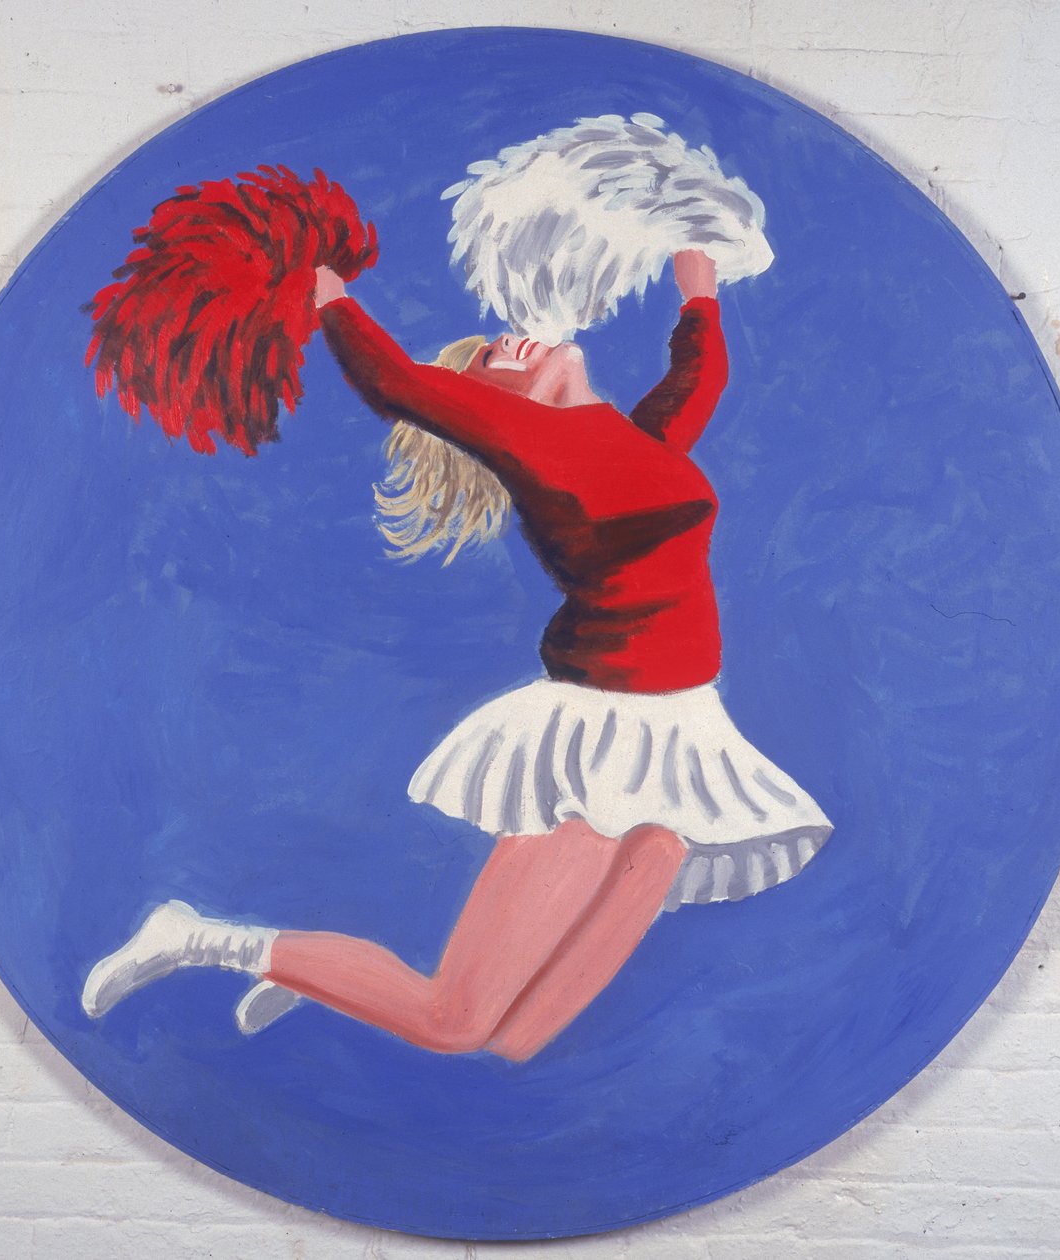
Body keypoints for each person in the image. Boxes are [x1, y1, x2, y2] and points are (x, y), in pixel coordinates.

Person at [82, 250, 832, 1061]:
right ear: (489, 403)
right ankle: (198, 936)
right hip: (600, 740)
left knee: (522, 1038)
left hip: (686, 732)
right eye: (489, 360)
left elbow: (699, 382)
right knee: (457, 1024)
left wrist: (699, 293)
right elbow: (394, 382)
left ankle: (330, 978)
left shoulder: (636, 441)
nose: (509, 340)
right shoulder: (529, 439)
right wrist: (330, 294)